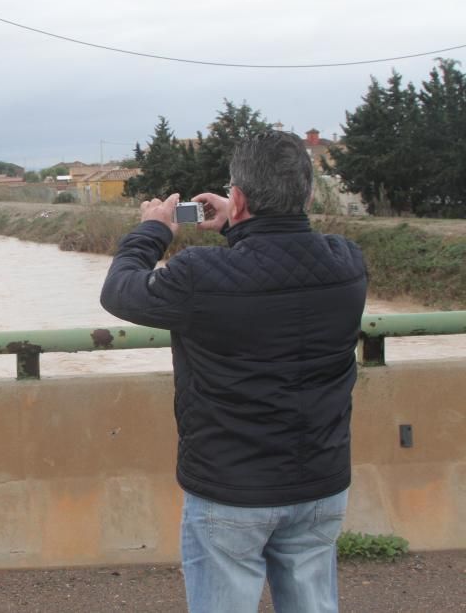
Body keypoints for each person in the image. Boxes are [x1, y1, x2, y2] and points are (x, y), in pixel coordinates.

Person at [100, 131, 368, 613]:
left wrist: (154, 229)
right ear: (307, 195)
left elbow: (120, 291)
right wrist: (240, 223)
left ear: (238, 197)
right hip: (320, 485)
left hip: (231, 490)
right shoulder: (347, 264)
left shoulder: (199, 275)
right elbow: (281, 266)